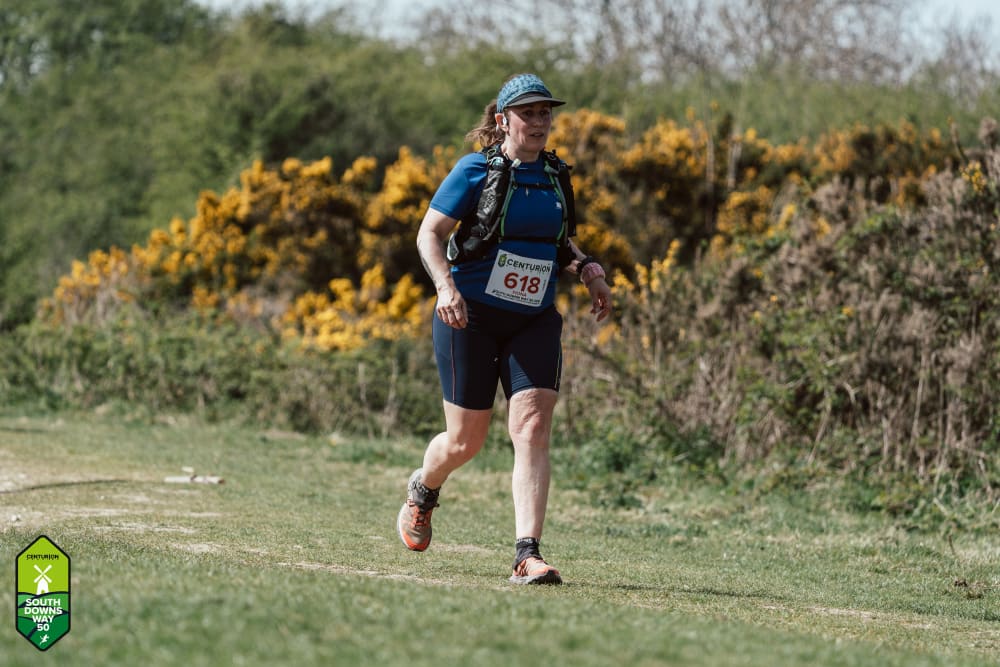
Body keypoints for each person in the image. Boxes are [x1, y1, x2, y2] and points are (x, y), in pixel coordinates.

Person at [397, 73, 612, 585]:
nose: (539, 121)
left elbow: (558, 242)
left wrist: (587, 268)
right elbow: (429, 234)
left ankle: (526, 554)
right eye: (527, 113)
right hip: (468, 316)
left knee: (532, 427)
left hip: (534, 318)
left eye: (545, 113)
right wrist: (445, 288)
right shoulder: (475, 170)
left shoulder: (556, 176)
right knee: (465, 442)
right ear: (503, 120)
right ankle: (424, 489)